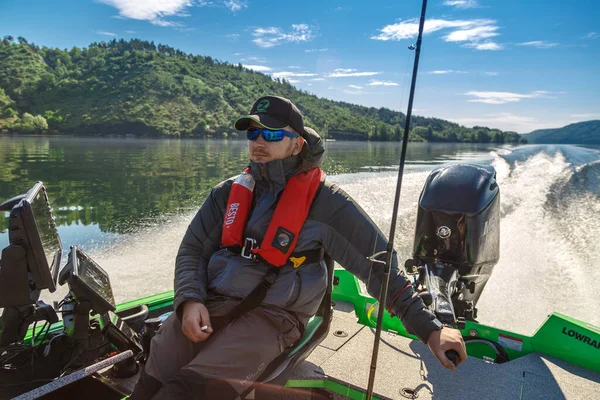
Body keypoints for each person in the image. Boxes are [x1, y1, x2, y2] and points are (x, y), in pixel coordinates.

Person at [131, 95, 467, 399]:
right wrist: (190, 300)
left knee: (186, 393)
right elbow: (191, 251)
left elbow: (379, 266)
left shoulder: (328, 203)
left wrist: (431, 330)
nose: (260, 141)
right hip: (211, 302)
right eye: (253, 133)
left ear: (297, 144)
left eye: (272, 133)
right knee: (149, 382)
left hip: (273, 318)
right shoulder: (227, 193)